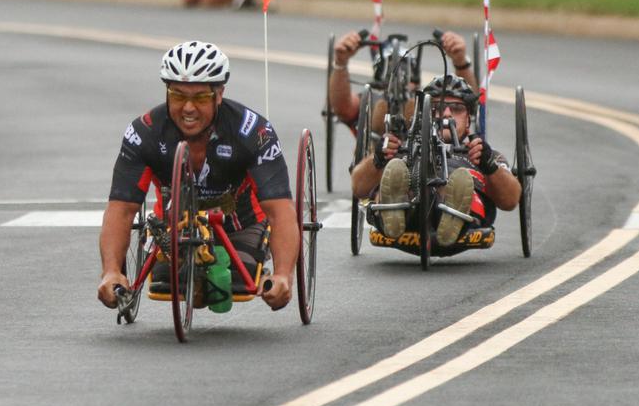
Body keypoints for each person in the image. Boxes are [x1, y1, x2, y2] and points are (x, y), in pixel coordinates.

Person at [98, 41, 298, 311]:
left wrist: (284, 274)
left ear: (219, 94)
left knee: (235, 282)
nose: (188, 108)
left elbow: (280, 210)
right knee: (166, 281)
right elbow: (121, 208)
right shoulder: (144, 132)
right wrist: (111, 271)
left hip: (239, 225)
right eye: (178, 96)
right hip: (174, 228)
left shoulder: (253, 131)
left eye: (201, 97)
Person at [351, 74, 520, 246]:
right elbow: (358, 188)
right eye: (437, 107)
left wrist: (489, 165)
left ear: (468, 119)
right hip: (409, 211)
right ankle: (394, 208)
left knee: (461, 183)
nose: (446, 114)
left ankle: (452, 213)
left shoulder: (481, 154)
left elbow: (511, 200)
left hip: (465, 213)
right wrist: (379, 158)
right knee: (395, 170)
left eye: (456, 108)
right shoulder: (401, 150)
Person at [328, 29, 478, 135]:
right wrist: (341, 62)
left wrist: (460, 62)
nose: (399, 78)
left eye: (406, 69)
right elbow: (342, 108)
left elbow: (469, 104)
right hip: (375, 173)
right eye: (391, 72)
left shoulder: (432, 104)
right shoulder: (369, 102)